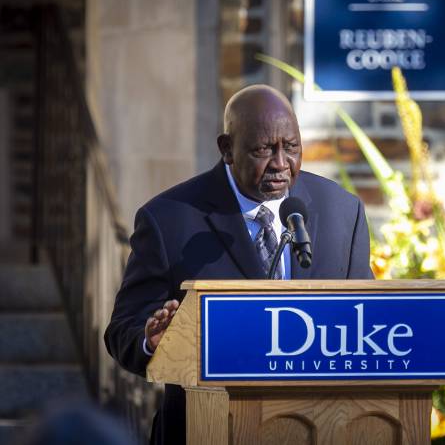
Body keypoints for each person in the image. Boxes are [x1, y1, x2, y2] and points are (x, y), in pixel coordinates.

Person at [104, 85, 374, 445]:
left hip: (319, 428)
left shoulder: (343, 210)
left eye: (291, 147)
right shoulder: (168, 219)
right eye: (263, 150)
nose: (281, 163)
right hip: (207, 429)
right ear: (227, 149)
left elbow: (366, 318)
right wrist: (152, 342)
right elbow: (123, 328)